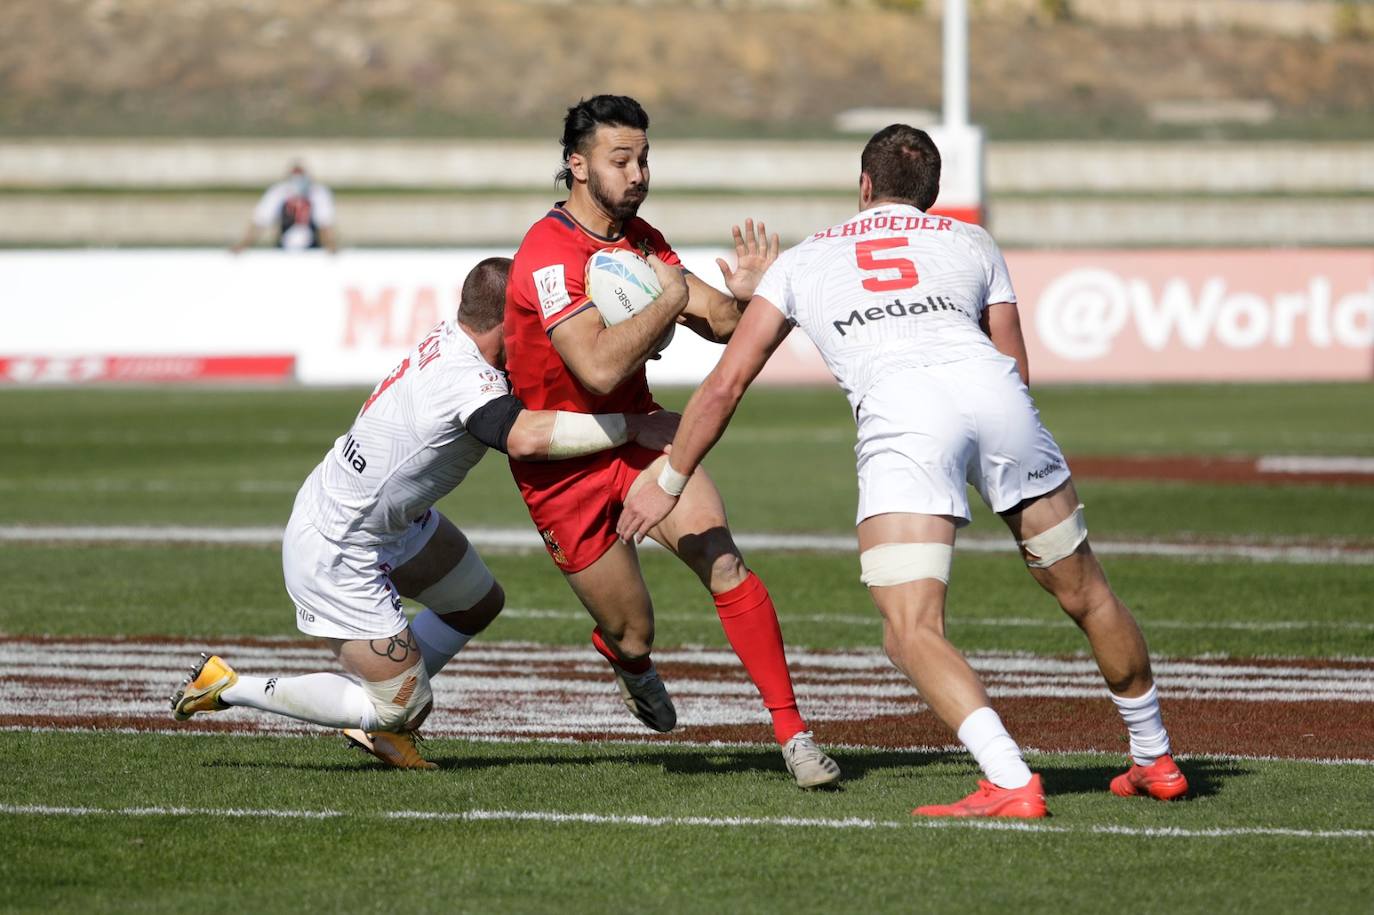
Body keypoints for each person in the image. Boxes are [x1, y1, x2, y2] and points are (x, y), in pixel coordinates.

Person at [618, 124, 1187, 817]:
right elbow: (1016, 365)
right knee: (1088, 592)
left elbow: (725, 384)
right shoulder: (972, 242)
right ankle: (1154, 756)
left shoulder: (803, 261)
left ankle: (1010, 779)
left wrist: (670, 478)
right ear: (933, 193)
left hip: (906, 417)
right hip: (997, 397)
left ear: (863, 186)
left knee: (911, 626)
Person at [170, 257, 679, 769]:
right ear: (508, 322)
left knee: (477, 603)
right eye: (529, 315)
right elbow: (524, 438)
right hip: (339, 546)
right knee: (404, 703)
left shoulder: (458, 338)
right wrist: (633, 426)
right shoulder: (466, 378)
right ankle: (230, 687)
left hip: (386, 522)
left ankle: (382, 720)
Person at [502, 95, 840, 788]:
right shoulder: (547, 253)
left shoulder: (644, 240)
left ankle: (794, 733)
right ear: (577, 164)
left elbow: (717, 319)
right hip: (560, 464)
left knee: (721, 556)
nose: (638, 173)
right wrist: (666, 297)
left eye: (644, 158)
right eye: (620, 160)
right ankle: (628, 662)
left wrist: (749, 296)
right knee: (634, 632)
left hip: (640, 440)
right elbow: (595, 365)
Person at [231, 161, 338, 253]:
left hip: (312, 248)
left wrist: (330, 245)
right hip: (283, 247)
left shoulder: (318, 193)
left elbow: (325, 224)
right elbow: (260, 220)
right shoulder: (278, 192)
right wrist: (244, 244)